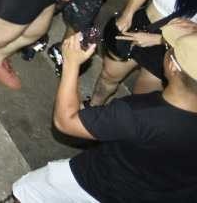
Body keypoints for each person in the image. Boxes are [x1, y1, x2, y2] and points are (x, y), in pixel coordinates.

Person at [10, 23, 197, 202]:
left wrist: (71, 63)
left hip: (99, 184)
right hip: (162, 194)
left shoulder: (138, 114)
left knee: (29, 191)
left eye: (171, 49)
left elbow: (65, 121)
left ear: (173, 67)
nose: (166, 48)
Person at [90, 0, 197, 106]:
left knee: (141, 100)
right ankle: (94, 107)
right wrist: (128, 13)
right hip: (140, 25)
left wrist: (158, 40)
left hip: (170, 46)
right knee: (108, 76)